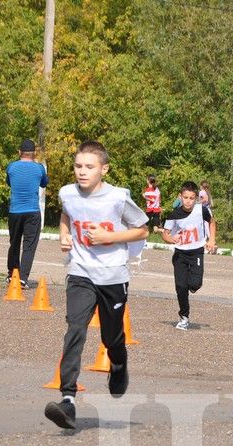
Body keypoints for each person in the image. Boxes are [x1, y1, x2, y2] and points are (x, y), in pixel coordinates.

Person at [44, 141, 149, 430]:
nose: (82, 171)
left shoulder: (117, 197)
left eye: (89, 167)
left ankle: (118, 364)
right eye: (78, 166)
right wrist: (64, 234)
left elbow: (142, 228)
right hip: (80, 272)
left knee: (111, 336)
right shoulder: (67, 193)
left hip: (113, 276)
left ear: (104, 169)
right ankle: (68, 399)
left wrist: (109, 238)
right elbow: (67, 213)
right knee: (75, 329)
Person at [160, 181, 217, 330]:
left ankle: (193, 286)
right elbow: (165, 235)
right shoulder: (174, 215)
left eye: (192, 198)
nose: (188, 201)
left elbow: (212, 222)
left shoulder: (202, 210)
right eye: (185, 197)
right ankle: (184, 317)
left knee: (195, 284)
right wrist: (170, 239)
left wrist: (211, 240)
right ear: (180, 196)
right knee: (181, 287)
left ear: (196, 198)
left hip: (197, 251)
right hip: (180, 254)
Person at [5, 139, 49, 289]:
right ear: (34, 153)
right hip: (32, 211)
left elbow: (9, 182)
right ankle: (23, 278)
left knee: (14, 243)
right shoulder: (39, 168)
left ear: (19, 152)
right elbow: (44, 183)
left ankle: (12, 274)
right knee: (29, 245)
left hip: (15, 211)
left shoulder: (11, 167)